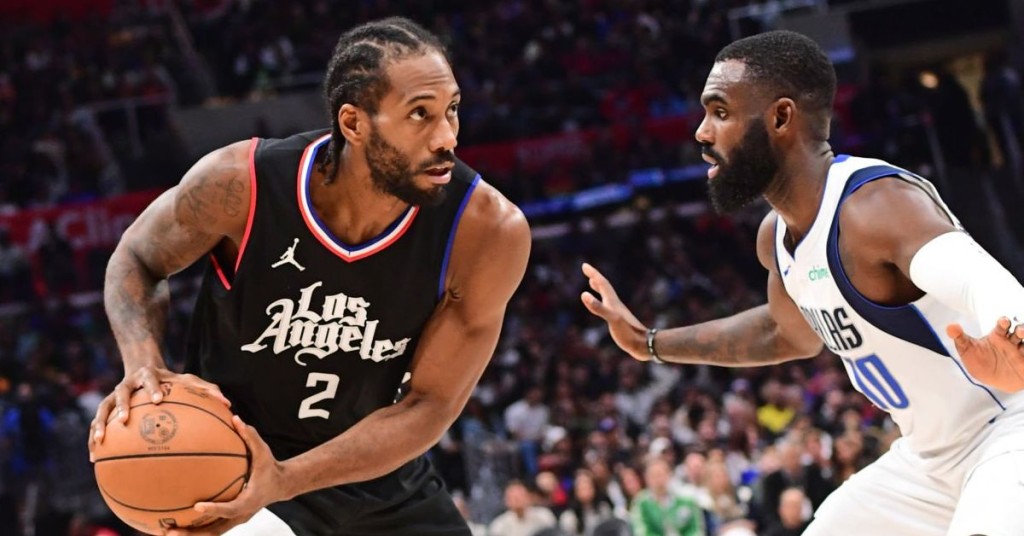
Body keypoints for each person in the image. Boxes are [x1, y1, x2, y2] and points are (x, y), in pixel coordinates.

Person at [87, 17, 531, 536]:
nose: (447, 137)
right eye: (420, 114)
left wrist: (287, 479)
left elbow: (428, 406)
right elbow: (137, 259)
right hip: (235, 467)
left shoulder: (486, 232)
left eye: (452, 109)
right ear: (354, 123)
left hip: (375, 474)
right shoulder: (241, 184)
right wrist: (143, 365)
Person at [581, 30, 1024, 536]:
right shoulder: (777, 239)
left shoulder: (873, 205)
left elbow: (980, 281)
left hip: (1007, 429)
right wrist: (649, 343)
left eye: (720, 112)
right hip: (928, 462)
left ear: (781, 118)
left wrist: (1014, 335)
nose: (702, 133)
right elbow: (785, 332)